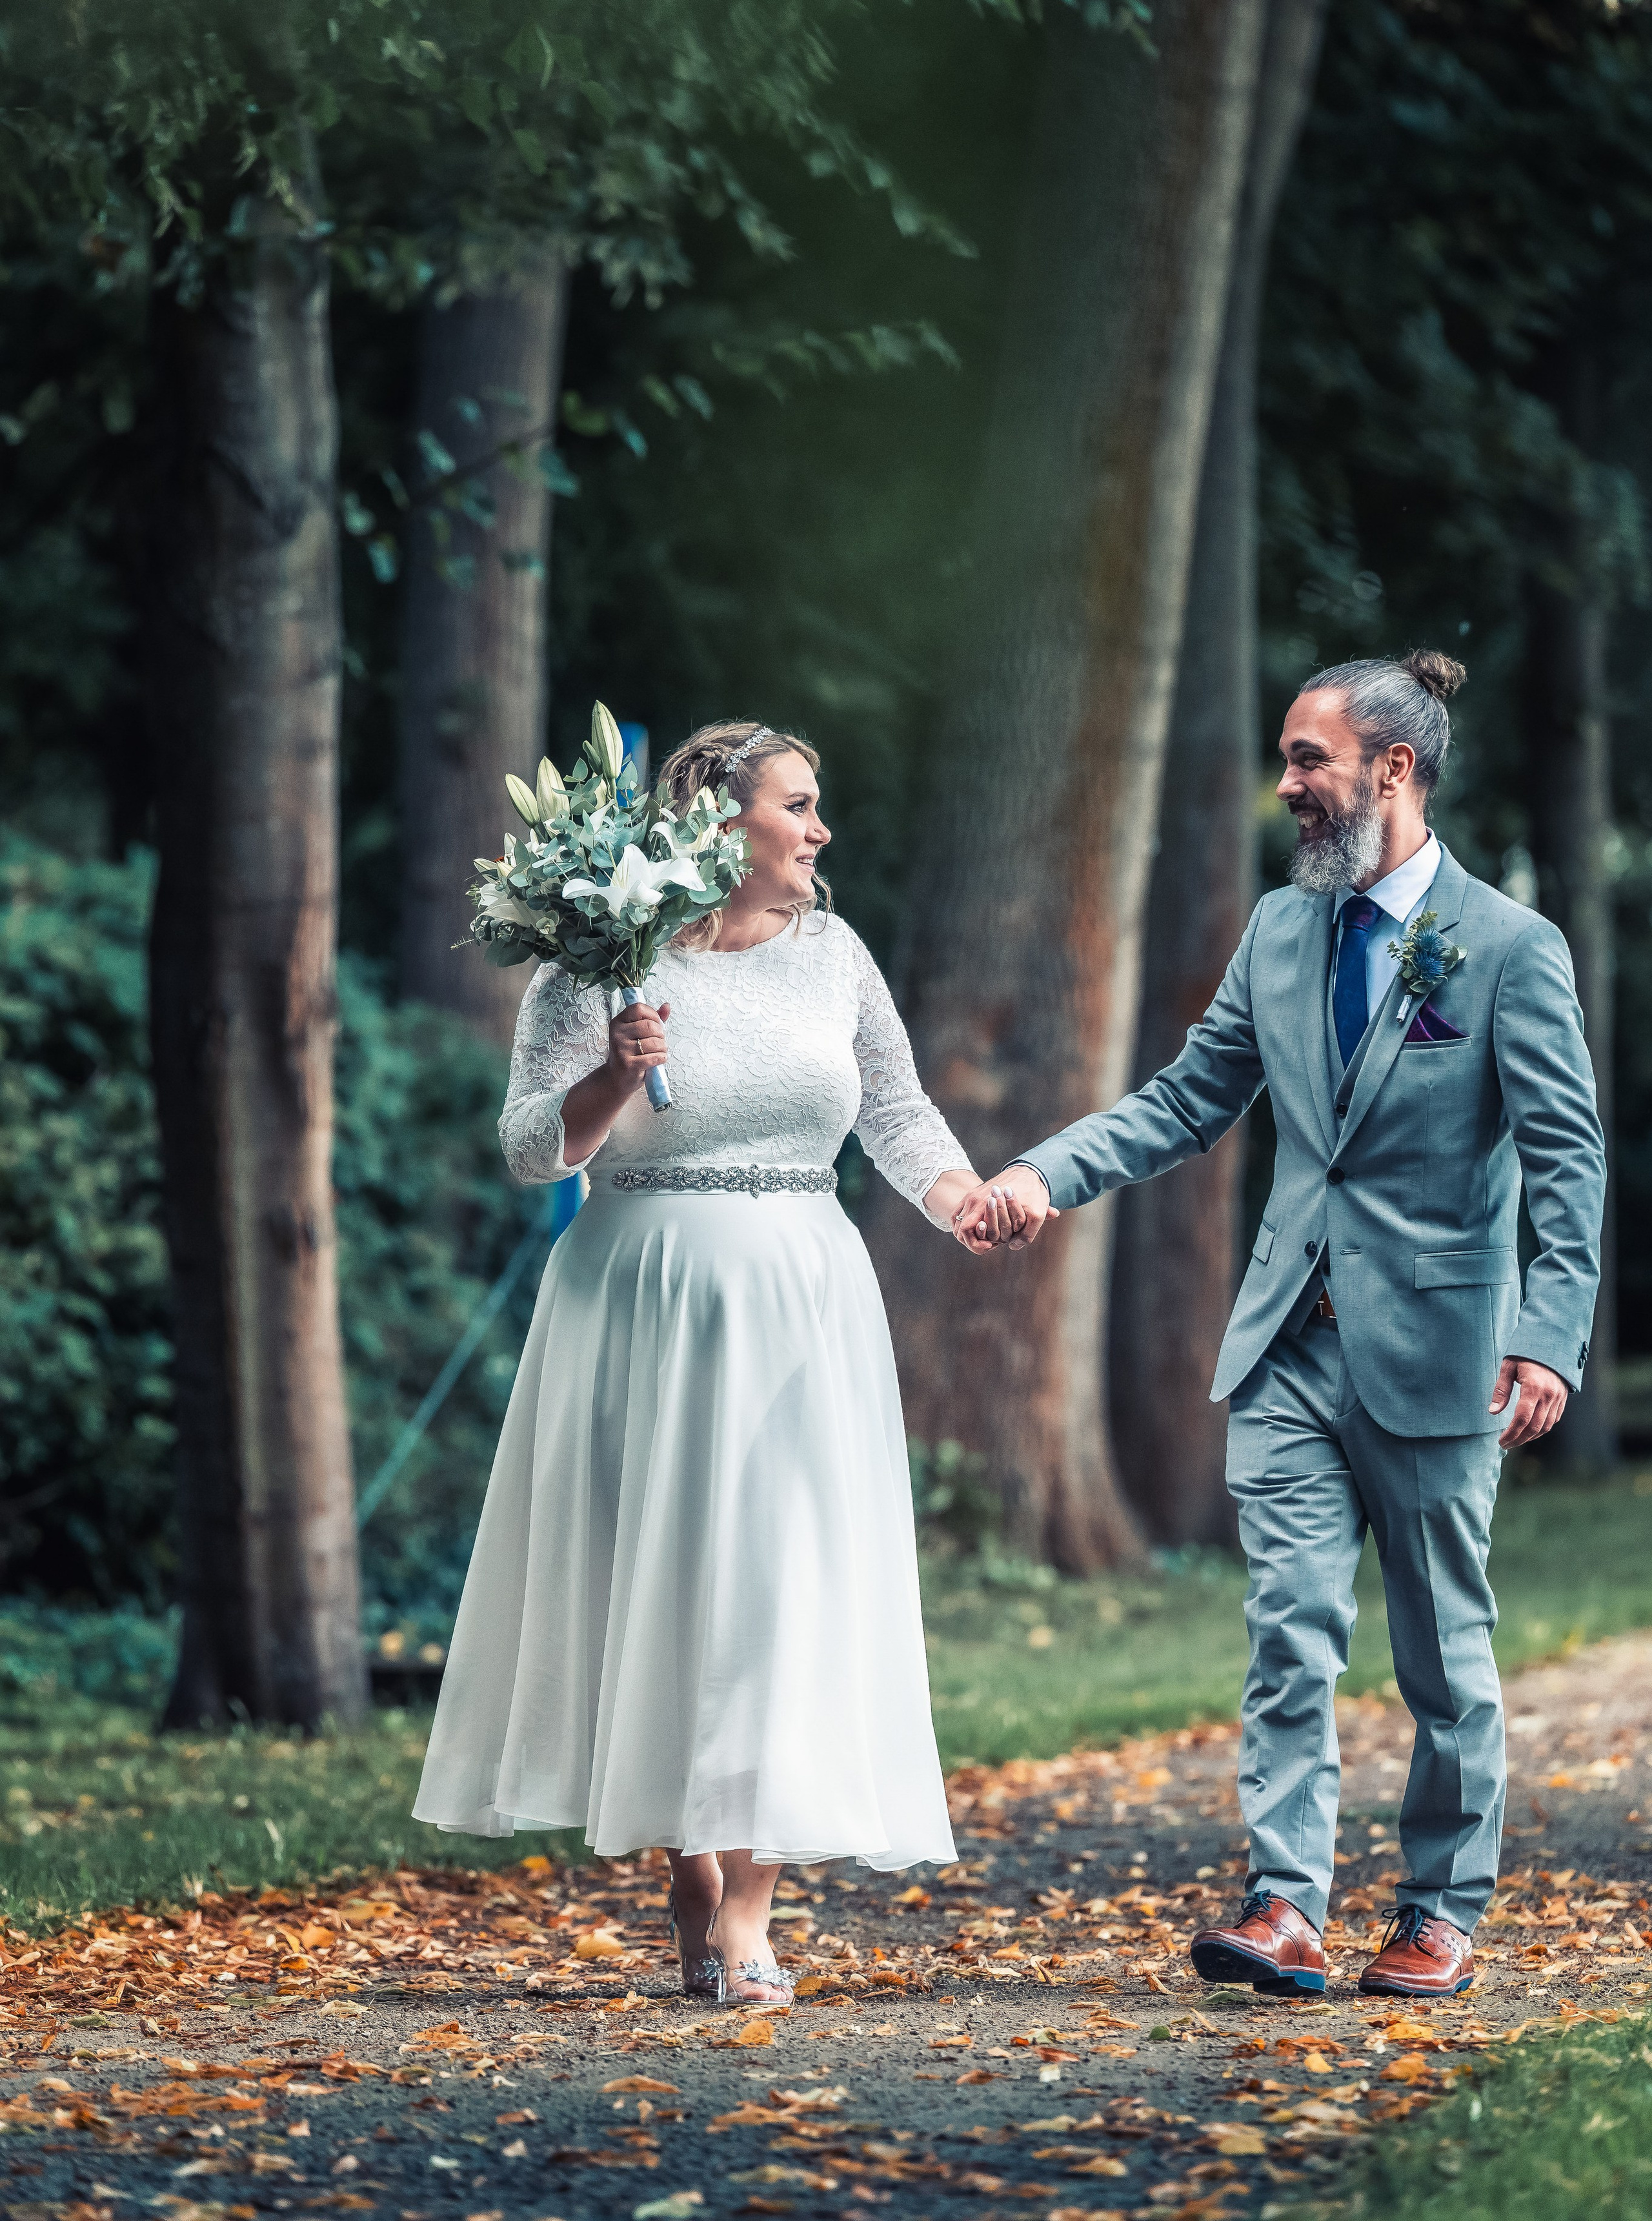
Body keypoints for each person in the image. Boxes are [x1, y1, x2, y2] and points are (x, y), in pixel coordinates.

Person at [952, 652, 1604, 2000]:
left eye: (1309, 759)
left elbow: (1565, 1153)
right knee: (1287, 1629)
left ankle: (1436, 1908)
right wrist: (1039, 1172)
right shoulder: (1278, 929)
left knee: (1442, 1655)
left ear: (1391, 769)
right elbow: (1187, 1099)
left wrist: (1547, 1332)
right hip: (1285, 1348)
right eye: (1286, 757)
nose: (1288, 784)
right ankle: (1284, 1905)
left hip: (1441, 1354)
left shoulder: (1506, 950)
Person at [413, 720, 1018, 2005]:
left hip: (802, 1290)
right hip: (643, 1293)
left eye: (816, 806)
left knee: (785, 1583)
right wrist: (609, 1083)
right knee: (675, 1581)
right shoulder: (598, 966)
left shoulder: (834, 956)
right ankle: (692, 1858)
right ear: (717, 821)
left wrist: (960, 1196)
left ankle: (750, 1903)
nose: (818, 830)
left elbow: (898, 1113)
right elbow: (533, 1147)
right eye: (797, 805)